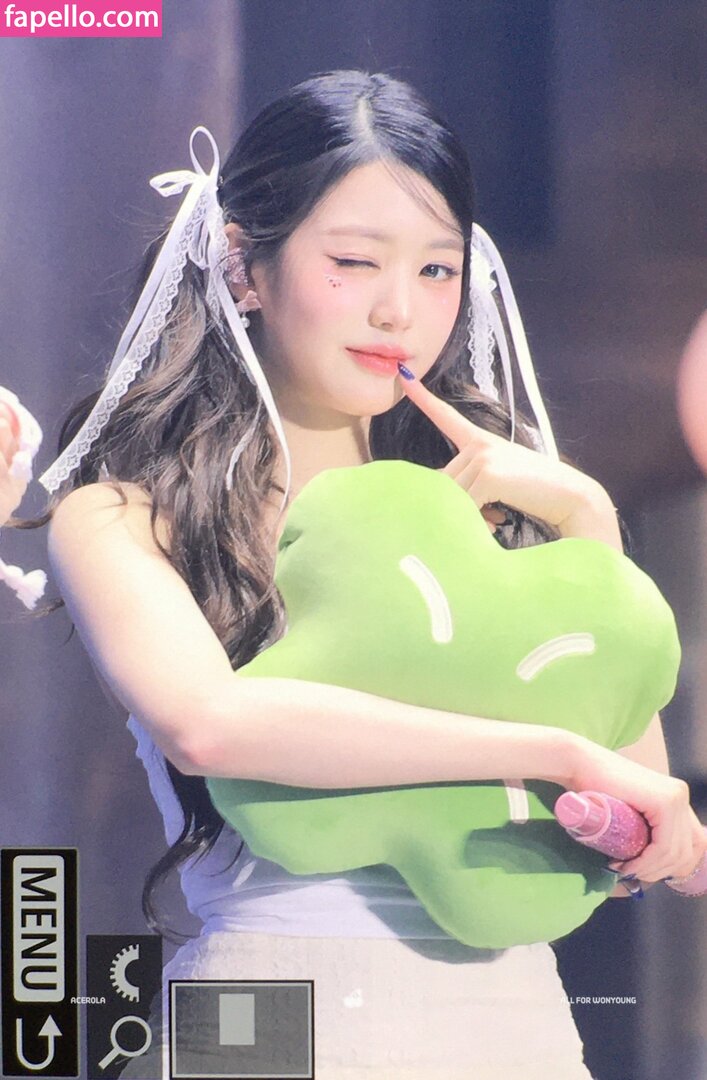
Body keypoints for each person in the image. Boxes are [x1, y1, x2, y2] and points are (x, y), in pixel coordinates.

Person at [4, 71, 706, 1080]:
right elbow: (210, 726)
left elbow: (632, 810)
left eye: (436, 269)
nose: (398, 310)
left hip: (512, 1024)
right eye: (352, 261)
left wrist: (588, 528)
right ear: (244, 265)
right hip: (264, 1016)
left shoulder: (502, 516)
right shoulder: (126, 513)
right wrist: (551, 750)